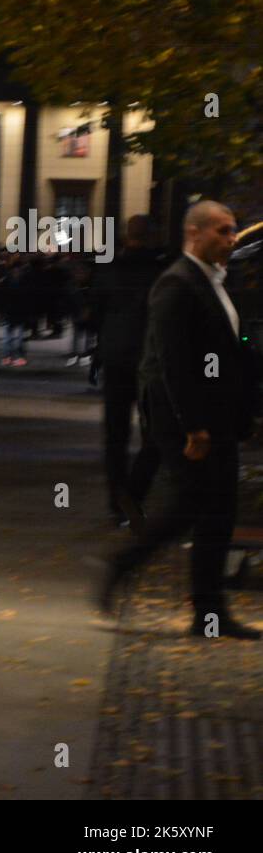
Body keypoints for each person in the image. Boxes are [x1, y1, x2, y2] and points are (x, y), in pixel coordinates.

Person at [96, 201, 261, 639]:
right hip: (188, 422)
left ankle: (210, 614)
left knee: (216, 512)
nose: (230, 239)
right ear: (194, 233)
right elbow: (172, 362)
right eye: (222, 231)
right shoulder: (178, 284)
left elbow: (228, 353)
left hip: (216, 419)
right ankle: (126, 562)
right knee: (194, 504)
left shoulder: (213, 282)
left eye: (232, 231)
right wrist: (193, 426)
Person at [91, 214, 168, 528]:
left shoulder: (108, 268)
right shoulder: (162, 271)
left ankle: (116, 503)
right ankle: (133, 495)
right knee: (157, 434)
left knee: (115, 436)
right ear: (152, 236)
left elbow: (94, 313)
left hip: (115, 358)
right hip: (149, 361)